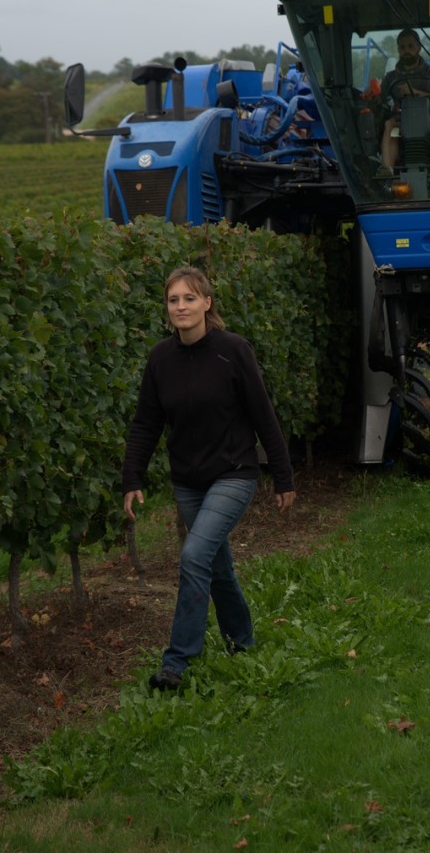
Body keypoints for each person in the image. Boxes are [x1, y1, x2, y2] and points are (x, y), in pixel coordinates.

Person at [122, 266, 296, 691]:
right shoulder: (161, 358)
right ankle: (244, 644)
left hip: (234, 474)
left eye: (189, 298)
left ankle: (176, 663)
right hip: (187, 481)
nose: (180, 306)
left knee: (194, 556)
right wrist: (132, 477)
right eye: (173, 300)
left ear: (207, 303)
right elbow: (146, 423)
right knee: (216, 567)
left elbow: (263, 416)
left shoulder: (233, 351)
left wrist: (283, 476)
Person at [379, 28, 430, 173]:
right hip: (402, 122)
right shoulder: (390, 78)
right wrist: (371, 93)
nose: (406, 50)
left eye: (410, 46)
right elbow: (381, 100)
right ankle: (387, 170)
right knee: (390, 125)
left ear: (419, 48)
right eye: (402, 47)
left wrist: (414, 92)